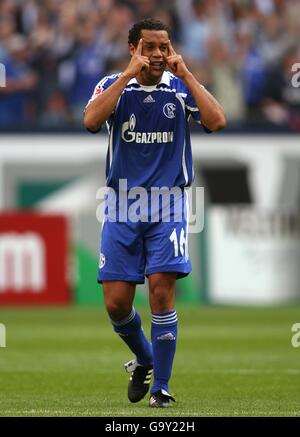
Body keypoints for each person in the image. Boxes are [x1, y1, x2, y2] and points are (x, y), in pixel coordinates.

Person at [84, 18, 226, 408]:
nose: (160, 54)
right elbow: (91, 121)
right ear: (134, 49)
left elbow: (217, 121)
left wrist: (190, 75)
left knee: (161, 291)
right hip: (121, 204)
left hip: (169, 203)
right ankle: (145, 359)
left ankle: (161, 388)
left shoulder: (181, 87)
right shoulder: (112, 84)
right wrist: (127, 76)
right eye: (151, 47)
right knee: (116, 303)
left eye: (165, 46)